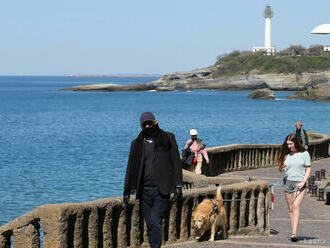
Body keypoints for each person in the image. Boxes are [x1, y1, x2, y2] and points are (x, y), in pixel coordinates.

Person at [123, 112, 183, 248]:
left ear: (155, 122)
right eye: (145, 124)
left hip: (161, 190)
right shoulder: (137, 143)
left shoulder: (168, 138)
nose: (148, 126)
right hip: (144, 192)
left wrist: (178, 184)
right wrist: (126, 191)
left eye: (150, 123)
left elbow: (176, 162)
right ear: (141, 126)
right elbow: (131, 167)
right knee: (150, 223)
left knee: (155, 220)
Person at [278, 134, 311, 242]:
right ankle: (293, 231)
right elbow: (282, 170)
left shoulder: (304, 154)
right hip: (287, 182)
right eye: (287, 144)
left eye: (291, 144)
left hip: (299, 183)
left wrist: (303, 182)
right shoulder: (287, 155)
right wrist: (282, 168)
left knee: (296, 206)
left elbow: (308, 169)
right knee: (291, 209)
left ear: (296, 143)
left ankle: (294, 234)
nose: (289, 146)